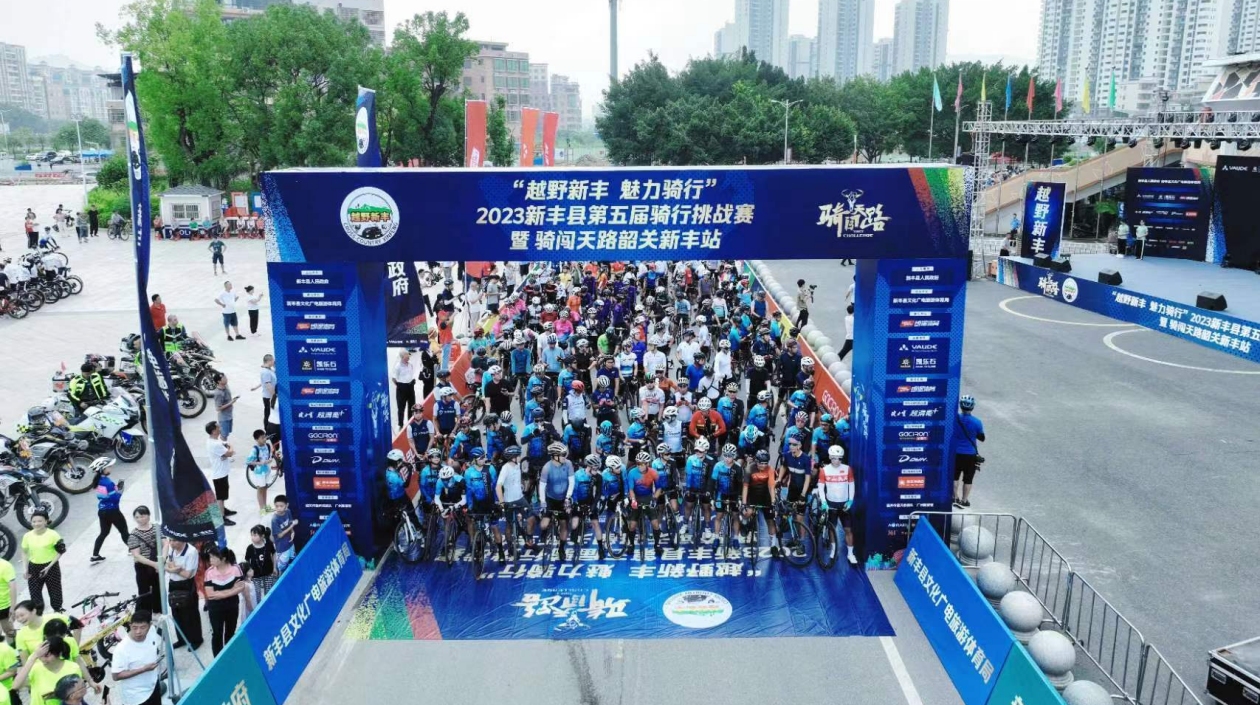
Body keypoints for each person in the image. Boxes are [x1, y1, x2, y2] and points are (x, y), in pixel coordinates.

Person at [108, 609, 162, 705]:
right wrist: (143, 669)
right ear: (130, 625)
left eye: (142, 627)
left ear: (150, 625)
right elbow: (116, 676)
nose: (138, 632)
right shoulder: (122, 649)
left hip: (153, 686)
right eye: (135, 627)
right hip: (136, 697)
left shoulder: (152, 631)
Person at [816, 445, 858, 565]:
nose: (837, 461)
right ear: (830, 457)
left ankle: (850, 554)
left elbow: (851, 485)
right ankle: (833, 550)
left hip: (844, 505)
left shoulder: (847, 469)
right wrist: (824, 502)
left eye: (839, 458)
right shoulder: (824, 470)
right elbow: (820, 488)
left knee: (848, 529)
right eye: (834, 458)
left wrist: (850, 500)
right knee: (832, 528)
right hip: (831, 504)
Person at [12, 639, 88, 705]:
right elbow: (15, 686)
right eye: (40, 656)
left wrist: (56, 695)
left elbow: (77, 693)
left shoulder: (72, 667)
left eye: (47, 655)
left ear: (59, 654)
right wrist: (33, 657)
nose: (43, 659)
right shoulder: (35, 668)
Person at [203, 547, 245, 656]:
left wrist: (221, 594)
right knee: (217, 633)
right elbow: (210, 595)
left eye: (213, 557)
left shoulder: (235, 569)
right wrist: (232, 590)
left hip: (232, 605)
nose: (210, 559)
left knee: (230, 631)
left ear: (223, 558)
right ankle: (218, 658)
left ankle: (229, 655)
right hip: (215, 608)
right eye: (210, 557)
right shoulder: (209, 572)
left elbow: (241, 587)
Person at [163, 538, 201, 650]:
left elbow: (187, 574)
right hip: (173, 583)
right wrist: (175, 569)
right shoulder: (172, 549)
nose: (172, 543)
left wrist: (174, 569)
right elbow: (167, 565)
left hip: (187, 584)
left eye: (175, 541)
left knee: (190, 613)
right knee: (176, 612)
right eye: (170, 540)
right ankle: (182, 638)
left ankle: (196, 639)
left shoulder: (191, 552)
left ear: (182, 540)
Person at [22, 511, 64, 613]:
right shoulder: (27, 536)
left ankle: (57, 610)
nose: (36, 524)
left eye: (40, 521)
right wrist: (25, 568)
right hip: (33, 567)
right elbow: (24, 552)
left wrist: (49, 567)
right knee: (34, 593)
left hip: (51, 566)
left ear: (46, 521)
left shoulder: (53, 535)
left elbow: (60, 551)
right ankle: (38, 613)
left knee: (55, 591)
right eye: (34, 521)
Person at [90, 460, 129, 563]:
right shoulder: (108, 483)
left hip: (102, 511)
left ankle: (95, 555)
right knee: (124, 531)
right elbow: (115, 499)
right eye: (109, 467)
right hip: (113, 511)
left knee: (103, 533)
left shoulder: (98, 481)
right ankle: (134, 550)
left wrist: (115, 488)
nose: (111, 468)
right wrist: (120, 489)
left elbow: (104, 496)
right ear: (103, 469)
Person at [953, 395, 986, 508]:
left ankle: (954, 498)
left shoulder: (955, 419)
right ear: (972, 407)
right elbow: (982, 438)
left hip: (955, 453)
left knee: (954, 477)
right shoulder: (977, 422)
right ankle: (964, 500)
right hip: (970, 454)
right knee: (968, 479)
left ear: (961, 406)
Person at [126, 507, 160, 613]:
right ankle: (145, 614)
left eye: (142, 516)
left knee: (158, 589)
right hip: (143, 567)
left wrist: (162, 561)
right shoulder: (133, 535)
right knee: (144, 592)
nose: (139, 519)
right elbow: (137, 555)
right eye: (137, 517)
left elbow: (165, 543)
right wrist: (154, 564)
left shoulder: (156, 528)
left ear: (148, 516)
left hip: (156, 564)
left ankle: (158, 611)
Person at [205, 421, 236, 526]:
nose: (220, 428)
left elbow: (223, 446)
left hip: (222, 472)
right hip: (219, 474)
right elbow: (229, 453)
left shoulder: (213, 441)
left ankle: (223, 509)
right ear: (214, 431)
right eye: (218, 427)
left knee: (223, 493)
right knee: (220, 496)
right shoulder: (215, 444)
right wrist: (231, 446)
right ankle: (222, 517)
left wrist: (226, 447)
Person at [245, 526, 277, 606]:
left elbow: (273, 554)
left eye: (255, 535)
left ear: (262, 536)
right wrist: (248, 573)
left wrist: (274, 567)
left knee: (269, 592)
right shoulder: (250, 548)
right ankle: (259, 607)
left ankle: (269, 605)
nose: (252, 537)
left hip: (268, 572)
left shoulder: (269, 544)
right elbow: (247, 560)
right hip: (255, 575)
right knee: (257, 593)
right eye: (251, 535)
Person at [245, 429, 274, 513]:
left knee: (265, 488)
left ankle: (265, 507)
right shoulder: (255, 449)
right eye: (262, 438)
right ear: (256, 439)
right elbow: (248, 461)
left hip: (267, 471)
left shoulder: (267, 445)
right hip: (259, 473)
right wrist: (260, 463)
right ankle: (262, 509)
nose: (264, 439)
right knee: (260, 489)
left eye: (265, 437)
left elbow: (269, 456)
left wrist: (269, 460)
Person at [270, 495, 298, 574]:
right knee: (282, 568)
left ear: (286, 505)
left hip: (290, 543)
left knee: (292, 561)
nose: (279, 508)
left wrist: (292, 532)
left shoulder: (288, 511)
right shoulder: (274, 519)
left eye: (281, 506)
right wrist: (292, 527)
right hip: (281, 548)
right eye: (276, 506)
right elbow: (280, 535)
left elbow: (290, 522)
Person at [391, 349, 418, 428]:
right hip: (402, 388)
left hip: (410, 387)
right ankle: (401, 424)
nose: (408, 357)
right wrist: (400, 385)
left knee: (412, 406)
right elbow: (393, 378)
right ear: (402, 357)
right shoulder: (398, 366)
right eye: (407, 356)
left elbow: (411, 374)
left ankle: (411, 422)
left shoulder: (410, 364)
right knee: (401, 407)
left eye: (408, 355)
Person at [251, 354, 277, 425]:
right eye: (273, 360)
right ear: (269, 361)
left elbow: (263, 381)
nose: (274, 362)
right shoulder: (266, 372)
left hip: (270, 396)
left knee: (269, 413)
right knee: (268, 414)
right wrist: (274, 396)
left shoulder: (269, 370)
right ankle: (267, 428)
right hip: (268, 397)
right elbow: (268, 384)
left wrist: (255, 387)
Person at [213, 374, 237, 442]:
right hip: (224, 418)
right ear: (219, 381)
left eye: (225, 377)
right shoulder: (218, 393)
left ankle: (224, 444)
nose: (226, 379)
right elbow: (218, 408)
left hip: (229, 416)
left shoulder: (226, 386)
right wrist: (231, 403)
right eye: (224, 378)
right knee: (224, 435)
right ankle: (223, 445)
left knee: (227, 433)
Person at [0, 552, 14, 641]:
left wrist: (13, 607)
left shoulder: (5, 566)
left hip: (4, 606)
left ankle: (14, 647)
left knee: (9, 631)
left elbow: (12, 587)